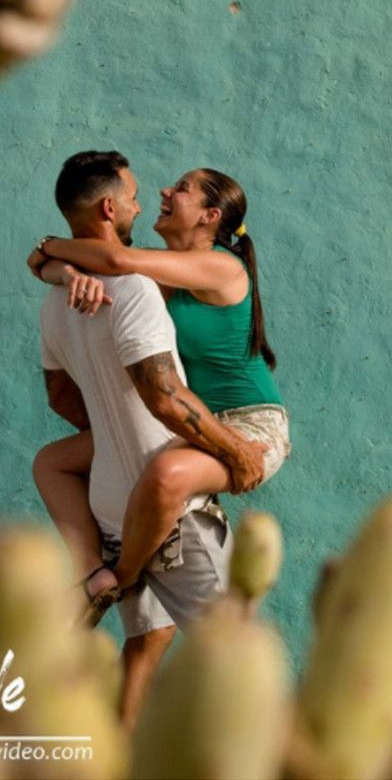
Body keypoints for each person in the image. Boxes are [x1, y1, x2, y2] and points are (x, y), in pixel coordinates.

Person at [33, 150, 266, 727]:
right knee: (213, 666)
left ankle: (100, 572)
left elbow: (62, 398)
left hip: (166, 472)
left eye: (181, 189)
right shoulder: (139, 282)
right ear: (111, 207)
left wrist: (57, 263)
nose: (154, 197)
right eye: (138, 196)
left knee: (171, 649)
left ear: (212, 217)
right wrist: (60, 267)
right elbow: (162, 395)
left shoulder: (214, 268)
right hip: (176, 483)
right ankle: (112, 573)